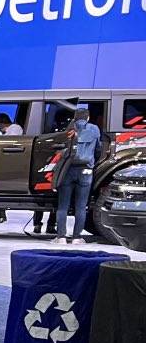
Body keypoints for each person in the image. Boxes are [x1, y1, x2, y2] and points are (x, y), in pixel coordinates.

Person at [53, 102, 101, 244]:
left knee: (63, 205)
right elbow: (98, 149)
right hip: (86, 170)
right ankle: (77, 238)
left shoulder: (69, 129)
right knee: (81, 206)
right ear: (88, 118)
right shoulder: (94, 129)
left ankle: (61, 237)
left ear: (74, 117)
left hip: (68, 169)